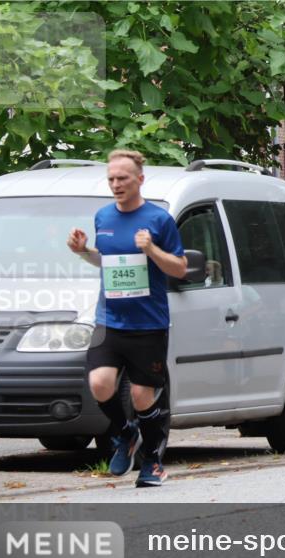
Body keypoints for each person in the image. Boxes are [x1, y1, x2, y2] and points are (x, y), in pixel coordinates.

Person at [66, 149, 187, 487]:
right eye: (112, 179)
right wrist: (83, 252)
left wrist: (151, 250)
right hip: (110, 319)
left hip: (148, 323)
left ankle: (153, 463)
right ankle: (125, 433)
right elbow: (106, 261)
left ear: (140, 180)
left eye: (123, 178)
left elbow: (178, 268)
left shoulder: (159, 220)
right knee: (99, 384)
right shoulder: (103, 217)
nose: (116, 184)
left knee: (141, 396)